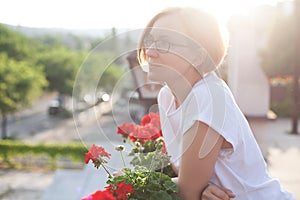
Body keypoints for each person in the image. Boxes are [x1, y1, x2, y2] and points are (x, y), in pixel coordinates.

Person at [137, 7, 295, 200]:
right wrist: (202, 188)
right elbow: (188, 181)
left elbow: (187, 191)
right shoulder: (167, 97)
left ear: (198, 56)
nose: (150, 51)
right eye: (150, 40)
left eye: (164, 43)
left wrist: (131, 182)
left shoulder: (209, 97)